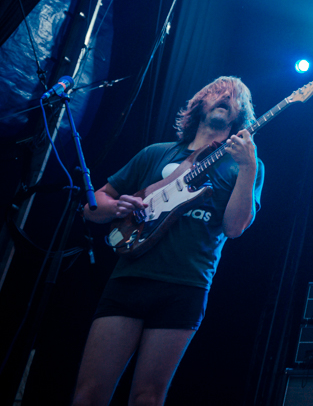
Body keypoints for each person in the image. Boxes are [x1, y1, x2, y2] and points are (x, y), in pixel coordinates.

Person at [71, 77, 265, 406]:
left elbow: (234, 228)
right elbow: (95, 205)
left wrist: (247, 168)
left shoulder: (246, 166)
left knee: (148, 397)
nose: (225, 98)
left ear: (240, 114)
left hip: (185, 285)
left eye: (235, 97)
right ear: (199, 104)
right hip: (129, 278)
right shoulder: (156, 153)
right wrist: (116, 206)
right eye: (218, 92)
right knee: (89, 393)